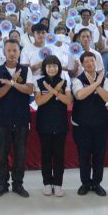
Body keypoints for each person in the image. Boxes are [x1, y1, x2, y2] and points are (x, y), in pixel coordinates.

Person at [0, 39, 34, 198]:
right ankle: (2, 184)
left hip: (22, 118)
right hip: (3, 118)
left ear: (19, 52)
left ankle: (18, 184)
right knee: (2, 153)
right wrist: (10, 83)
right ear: (4, 52)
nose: (12, 53)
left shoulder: (26, 70)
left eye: (15, 50)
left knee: (20, 154)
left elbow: (29, 90)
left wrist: (12, 82)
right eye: (9, 50)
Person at [71, 51, 108, 197]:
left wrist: (96, 85)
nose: (90, 63)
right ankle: (85, 183)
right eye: (86, 61)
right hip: (82, 125)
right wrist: (96, 83)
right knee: (84, 155)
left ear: (96, 62)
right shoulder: (77, 80)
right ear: (82, 65)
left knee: (99, 155)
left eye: (92, 61)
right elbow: (79, 95)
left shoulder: (105, 80)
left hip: (100, 124)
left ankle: (96, 183)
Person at [34, 54, 72, 197]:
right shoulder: (39, 82)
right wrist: (54, 91)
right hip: (44, 124)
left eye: (55, 66)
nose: (52, 68)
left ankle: (58, 184)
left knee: (59, 156)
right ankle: (47, 184)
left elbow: (68, 101)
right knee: (46, 155)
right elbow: (39, 101)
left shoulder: (64, 82)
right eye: (49, 66)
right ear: (44, 68)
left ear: (59, 67)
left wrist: (54, 91)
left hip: (60, 124)